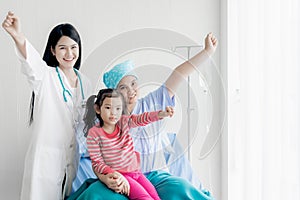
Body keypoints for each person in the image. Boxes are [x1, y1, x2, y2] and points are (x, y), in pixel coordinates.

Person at [69, 32, 218, 200]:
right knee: (98, 194)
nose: (131, 91)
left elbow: (179, 74)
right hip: (120, 179)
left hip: (153, 176)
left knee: (180, 188)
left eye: (133, 84)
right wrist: (106, 177)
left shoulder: (152, 103)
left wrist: (207, 52)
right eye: (123, 88)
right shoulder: (106, 119)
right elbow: (90, 154)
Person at [2, 11, 92, 199]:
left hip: (71, 159)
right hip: (46, 158)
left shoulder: (86, 82)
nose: (69, 54)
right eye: (62, 48)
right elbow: (30, 61)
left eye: (74, 47)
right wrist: (17, 35)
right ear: (53, 50)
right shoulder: (45, 76)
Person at [85, 88, 174, 199]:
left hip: (136, 172)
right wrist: (115, 175)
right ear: (98, 109)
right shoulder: (94, 133)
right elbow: (97, 163)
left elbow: (141, 119)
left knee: (155, 197)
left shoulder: (123, 122)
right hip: (121, 175)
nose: (113, 113)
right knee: (144, 198)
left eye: (117, 108)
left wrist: (160, 114)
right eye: (108, 108)